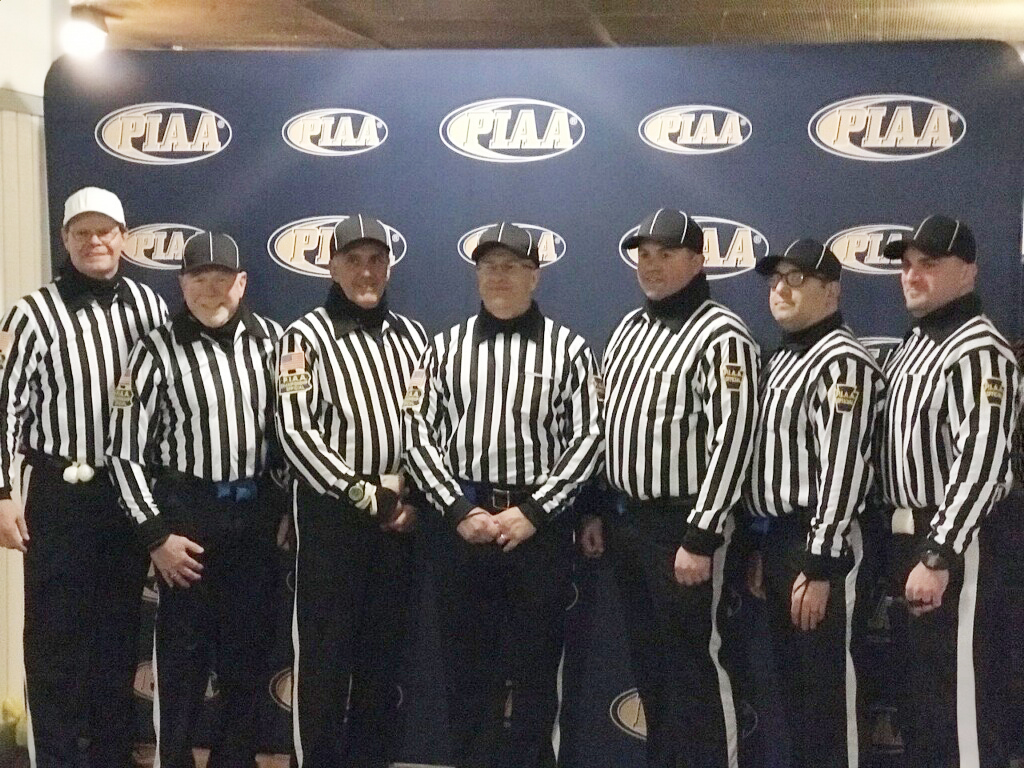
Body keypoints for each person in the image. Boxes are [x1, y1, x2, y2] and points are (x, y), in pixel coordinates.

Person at [404, 222, 601, 768]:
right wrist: (457, 509)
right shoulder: (443, 348)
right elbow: (415, 434)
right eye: (489, 266)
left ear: (534, 276)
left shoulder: (570, 350)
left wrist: (535, 512)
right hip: (461, 528)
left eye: (512, 266)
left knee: (536, 670)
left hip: (537, 532)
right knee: (466, 670)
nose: (499, 276)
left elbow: (590, 437)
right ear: (476, 275)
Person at [584, 208, 758, 768]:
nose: (652, 265)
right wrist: (597, 509)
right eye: (644, 255)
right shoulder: (628, 329)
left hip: (685, 527)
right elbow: (605, 426)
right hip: (629, 521)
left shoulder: (722, 334)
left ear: (698, 261)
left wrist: (702, 535)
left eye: (666, 254)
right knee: (651, 668)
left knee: (695, 667)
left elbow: (734, 437)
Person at [0, 187, 167, 767]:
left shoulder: (150, 307)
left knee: (117, 637)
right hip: (60, 494)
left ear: (124, 237)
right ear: (65, 240)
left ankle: (111, 757)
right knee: (55, 640)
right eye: (82, 233)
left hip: (125, 495)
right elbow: (4, 407)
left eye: (105, 231)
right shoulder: (31, 314)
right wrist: (1, 493)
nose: (95, 241)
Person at [107, 232, 282, 767]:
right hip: (188, 523)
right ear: (182, 285)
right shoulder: (154, 350)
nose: (211, 290)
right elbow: (124, 452)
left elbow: (292, 437)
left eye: (221, 278)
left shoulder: (274, 343)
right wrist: (156, 536)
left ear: (241, 282)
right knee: (181, 666)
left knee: (248, 663)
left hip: (254, 519)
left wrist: (284, 510)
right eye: (199, 278)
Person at [276, 215, 427, 768]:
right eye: (353, 260)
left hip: (399, 519)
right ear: (331, 267)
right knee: (324, 660)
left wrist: (414, 500)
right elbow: (296, 432)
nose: (366, 272)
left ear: (388, 267)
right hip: (332, 517)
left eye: (376, 261)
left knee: (381, 661)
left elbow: (426, 425)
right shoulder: (303, 338)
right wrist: (365, 495)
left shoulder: (413, 338)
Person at [878, 215, 1021, 768]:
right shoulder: (914, 344)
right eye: (907, 265)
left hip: (961, 543)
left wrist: (939, 553)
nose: (912, 276)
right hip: (909, 535)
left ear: (968, 271)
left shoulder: (978, 349)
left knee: (962, 705)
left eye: (929, 264)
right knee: (926, 706)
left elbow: (982, 462)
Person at [743, 238, 884, 768]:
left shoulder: (842, 361)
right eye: (776, 279)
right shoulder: (781, 359)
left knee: (828, 699)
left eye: (797, 279)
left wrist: (821, 564)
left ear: (832, 291)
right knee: (797, 697)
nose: (781, 288)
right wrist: (766, 542)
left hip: (825, 543)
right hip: (783, 540)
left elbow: (843, 468)